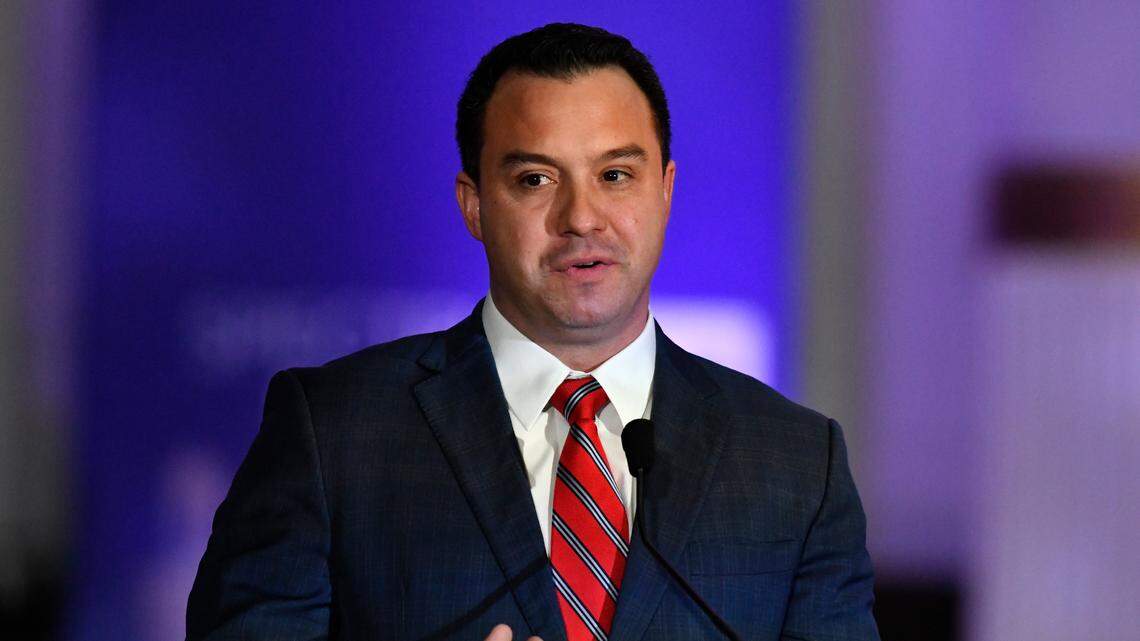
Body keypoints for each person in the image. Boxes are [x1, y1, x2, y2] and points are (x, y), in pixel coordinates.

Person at [186, 23, 879, 641]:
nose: (582, 217)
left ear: (665, 190)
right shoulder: (333, 434)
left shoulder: (795, 465)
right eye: (536, 179)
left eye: (615, 174)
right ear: (475, 204)